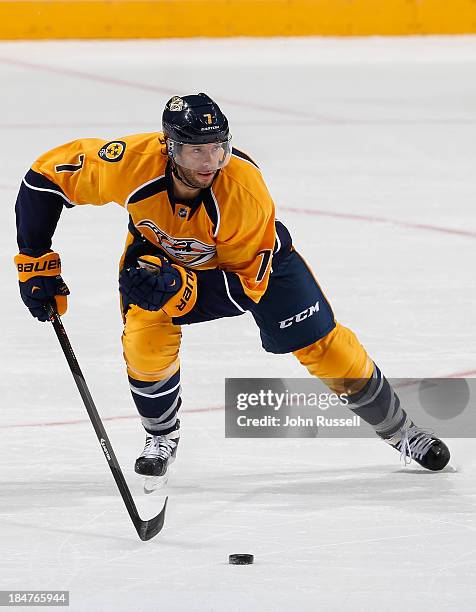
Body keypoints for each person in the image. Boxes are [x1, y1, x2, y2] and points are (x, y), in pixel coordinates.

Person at [14, 93, 450, 486]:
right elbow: (44, 179)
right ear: (169, 147)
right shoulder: (130, 163)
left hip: (256, 267)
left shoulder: (243, 193)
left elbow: (247, 289)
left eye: (217, 148)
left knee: (325, 346)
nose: (208, 161)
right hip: (159, 258)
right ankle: (161, 438)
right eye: (195, 150)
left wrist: (184, 293)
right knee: (145, 339)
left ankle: (402, 431)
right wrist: (35, 261)